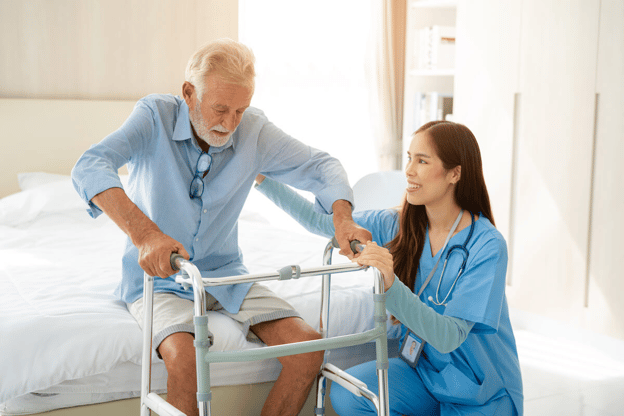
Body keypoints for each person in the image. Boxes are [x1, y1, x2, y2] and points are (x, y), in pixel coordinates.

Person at [71, 38, 371, 416]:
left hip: (227, 276)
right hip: (161, 280)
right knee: (187, 359)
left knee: (308, 348)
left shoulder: (255, 132)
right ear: (188, 93)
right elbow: (90, 165)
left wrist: (342, 218)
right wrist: (145, 235)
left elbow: (321, 167)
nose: (229, 124)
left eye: (240, 111)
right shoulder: (153, 117)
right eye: (220, 109)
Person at [254, 120, 524, 415]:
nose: (408, 170)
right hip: (427, 372)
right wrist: (259, 176)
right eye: (409, 158)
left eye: (422, 160)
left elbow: (449, 337)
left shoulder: (487, 245)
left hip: (481, 389)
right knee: (351, 394)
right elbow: (320, 222)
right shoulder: (398, 224)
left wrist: (390, 286)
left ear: (454, 173)